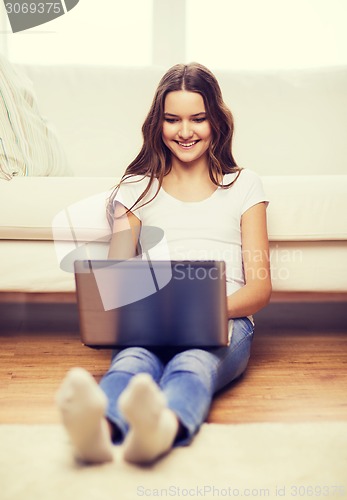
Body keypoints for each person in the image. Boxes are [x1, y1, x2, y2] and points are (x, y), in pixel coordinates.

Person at [56, 62, 272, 465]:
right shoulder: (136, 189)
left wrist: (202, 312)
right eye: (172, 119)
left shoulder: (245, 184)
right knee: (132, 361)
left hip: (225, 319)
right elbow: (116, 282)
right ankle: (98, 431)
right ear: (158, 123)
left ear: (217, 122)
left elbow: (259, 289)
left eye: (198, 119)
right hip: (152, 319)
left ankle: (162, 428)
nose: (185, 131)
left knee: (193, 363)